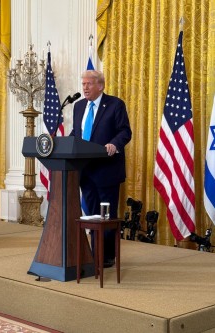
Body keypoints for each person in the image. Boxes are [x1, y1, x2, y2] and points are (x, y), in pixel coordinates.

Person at [70, 70, 132, 267]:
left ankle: (106, 256)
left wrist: (115, 144)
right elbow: (77, 133)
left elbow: (125, 131)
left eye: (89, 84)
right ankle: (93, 254)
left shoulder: (115, 104)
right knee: (90, 215)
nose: (85, 88)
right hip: (85, 171)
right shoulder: (79, 106)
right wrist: (63, 141)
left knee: (106, 216)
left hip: (107, 171)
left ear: (100, 86)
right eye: (83, 84)